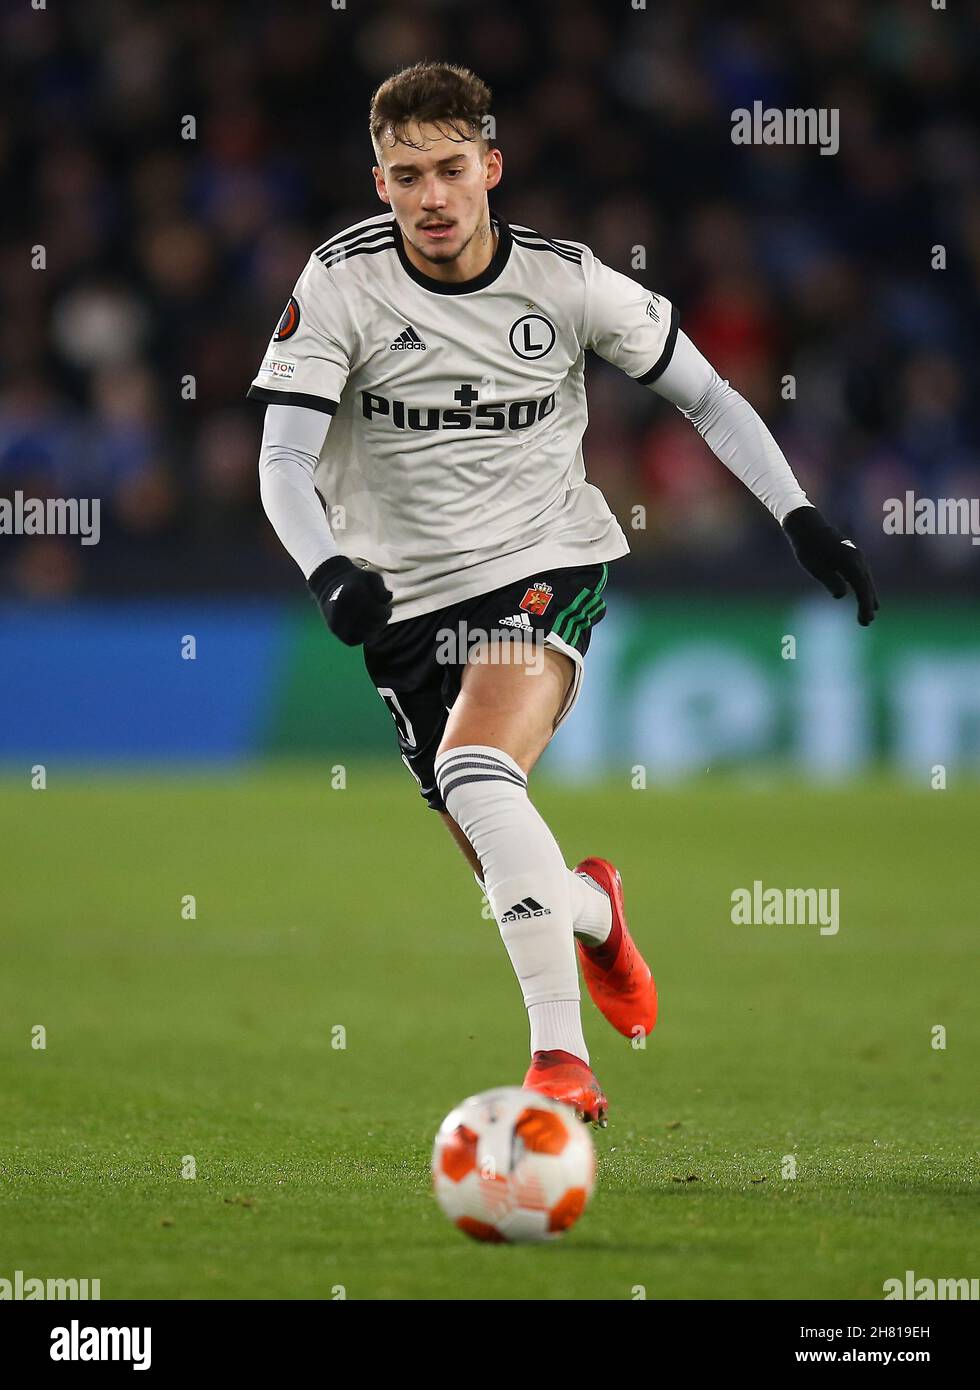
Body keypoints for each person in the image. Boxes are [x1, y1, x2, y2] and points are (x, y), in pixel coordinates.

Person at [249, 61, 878, 1126]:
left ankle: (555, 1064)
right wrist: (329, 570)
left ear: (491, 167)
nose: (432, 197)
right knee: (502, 852)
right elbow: (279, 461)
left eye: (451, 169)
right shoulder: (340, 285)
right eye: (407, 176)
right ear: (380, 182)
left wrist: (798, 516)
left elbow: (708, 397)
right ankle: (596, 910)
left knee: (473, 766)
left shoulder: (569, 281)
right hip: (401, 603)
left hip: (543, 563)